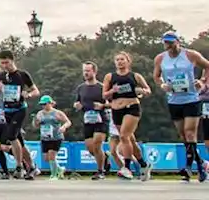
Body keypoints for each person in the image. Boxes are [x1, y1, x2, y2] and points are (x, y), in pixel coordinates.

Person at [152, 31, 209, 182]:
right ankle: (201, 164)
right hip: (174, 100)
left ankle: (188, 167)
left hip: (191, 99)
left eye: (171, 42)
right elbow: (156, 76)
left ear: (178, 41)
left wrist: (202, 81)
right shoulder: (160, 58)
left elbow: (207, 66)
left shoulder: (191, 55)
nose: (169, 46)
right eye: (166, 43)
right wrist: (162, 84)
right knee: (184, 136)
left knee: (190, 133)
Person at [103, 51, 151, 181]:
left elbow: (148, 90)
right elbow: (104, 95)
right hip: (116, 109)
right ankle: (144, 165)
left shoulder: (135, 76)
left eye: (122, 59)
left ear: (128, 61)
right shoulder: (109, 77)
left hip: (132, 108)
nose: (120, 62)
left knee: (124, 136)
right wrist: (113, 91)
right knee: (130, 140)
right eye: (117, 60)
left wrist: (142, 91)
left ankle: (127, 168)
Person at [0, 50, 39, 180]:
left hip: (19, 109)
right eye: (2, 63)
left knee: (11, 136)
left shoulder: (22, 75)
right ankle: (32, 167)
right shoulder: (1, 76)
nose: (4, 65)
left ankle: (19, 167)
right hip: (7, 110)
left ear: (12, 60)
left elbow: (36, 91)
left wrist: (28, 94)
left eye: (7, 62)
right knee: (20, 142)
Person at [73, 61, 108, 180]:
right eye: (84, 71)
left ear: (94, 71)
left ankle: (100, 171)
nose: (86, 73)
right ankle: (105, 159)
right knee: (91, 148)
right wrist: (77, 105)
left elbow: (110, 103)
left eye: (88, 71)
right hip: (87, 120)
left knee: (97, 144)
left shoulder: (102, 87)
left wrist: (103, 106)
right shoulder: (81, 88)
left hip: (101, 119)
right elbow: (77, 102)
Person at [34, 96, 70, 180]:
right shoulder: (39, 113)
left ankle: (54, 175)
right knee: (46, 158)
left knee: (52, 155)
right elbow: (35, 125)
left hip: (56, 137)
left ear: (50, 103)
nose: (43, 106)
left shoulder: (57, 113)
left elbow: (68, 122)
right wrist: (36, 121)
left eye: (44, 104)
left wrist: (64, 127)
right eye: (41, 104)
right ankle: (60, 169)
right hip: (45, 138)